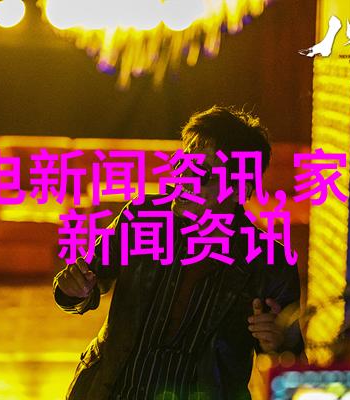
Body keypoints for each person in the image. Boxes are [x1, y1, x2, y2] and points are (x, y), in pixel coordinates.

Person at [53, 106, 303, 400]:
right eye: (183, 164)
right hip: (110, 391)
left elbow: (293, 371)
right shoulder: (143, 217)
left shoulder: (270, 264)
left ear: (238, 188)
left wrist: (278, 343)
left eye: (202, 173)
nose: (184, 178)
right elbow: (87, 282)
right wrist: (73, 289)